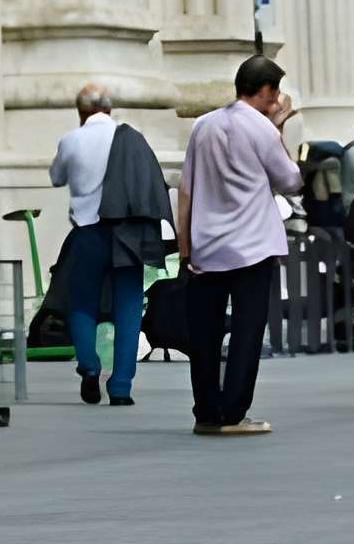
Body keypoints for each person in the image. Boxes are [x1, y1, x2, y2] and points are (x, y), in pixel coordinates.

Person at [177, 54, 304, 438]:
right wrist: (278, 127)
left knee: (204, 334)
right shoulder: (261, 129)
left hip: (207, 246)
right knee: (247, 330)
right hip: (252, 246)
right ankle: (233, 411)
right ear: (266, 90)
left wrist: (185, 248)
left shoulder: (204, 126)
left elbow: (186, 190)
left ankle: (206, 411)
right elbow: (291, 179)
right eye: (276, 91)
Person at [47, 84, 165, 407]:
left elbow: (56, 177)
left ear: (80, 111)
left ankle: (89, 367)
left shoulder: (72, 140)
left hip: (88, 233)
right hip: (128, 233)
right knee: (128, 307)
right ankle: (121, 387)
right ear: (110, 110)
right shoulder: (132, 139)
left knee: (81, 302)